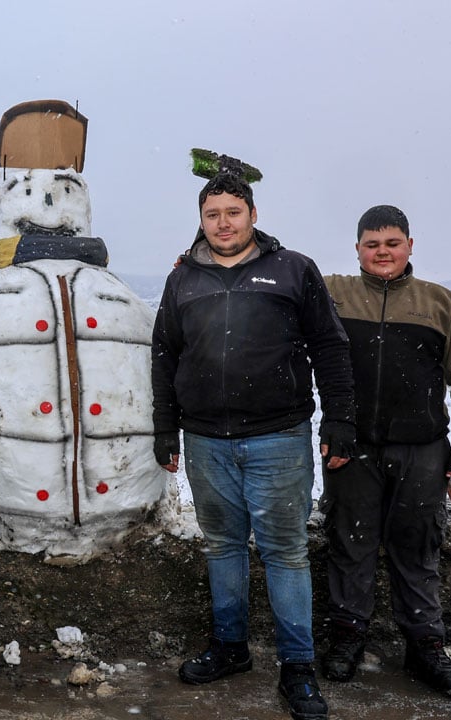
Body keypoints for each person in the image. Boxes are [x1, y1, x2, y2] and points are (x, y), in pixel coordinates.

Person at [151, 167, 356, 720]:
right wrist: (165, 426)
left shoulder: (292, 270)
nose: (223, 223)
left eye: (232, 212)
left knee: (285, 551)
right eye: (212, 214)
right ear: (201, 219)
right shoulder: (183, 279)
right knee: (221, 545)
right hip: (206, 441)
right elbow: (166, 354)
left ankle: (298, 667)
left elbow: (330, 349)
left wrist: (341, 420)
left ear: (253, 215)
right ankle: (230, 647)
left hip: (279, 437)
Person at [319, 205, 451, 698]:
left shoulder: (439, 303)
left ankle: (425, 645)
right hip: (351, 446)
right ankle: (349, 635)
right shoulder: (333, 293)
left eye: (392, 243)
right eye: (372, 244)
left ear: (410, 245)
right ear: (357, 250)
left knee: (418, 547)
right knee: (350, 542)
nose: (382, 253)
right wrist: (195, 255)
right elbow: (273, 269)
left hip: (422, 449)